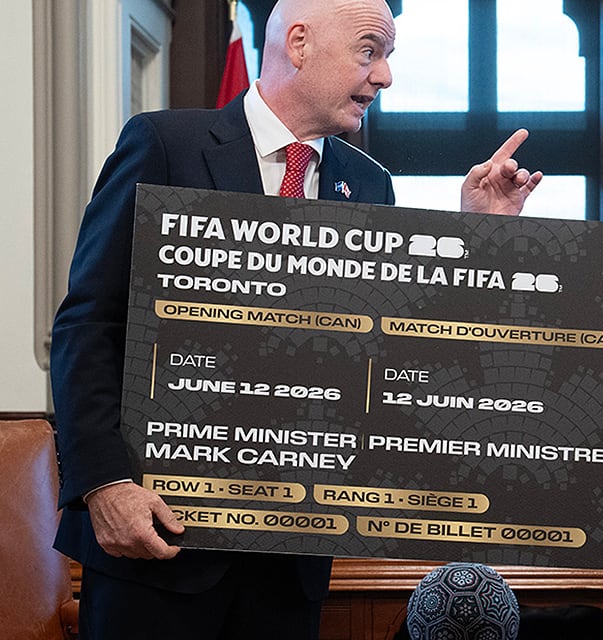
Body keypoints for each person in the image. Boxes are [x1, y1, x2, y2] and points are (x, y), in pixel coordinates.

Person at [50, 1, 541, 638]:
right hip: (158, 546)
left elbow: (393, 357)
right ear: (300, 43)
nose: (385, 76)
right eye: (370, 51)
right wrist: (104, 484)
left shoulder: (368, 184)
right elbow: (90, 323)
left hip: (289, 562)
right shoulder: (164, 145)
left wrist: (480, 239)